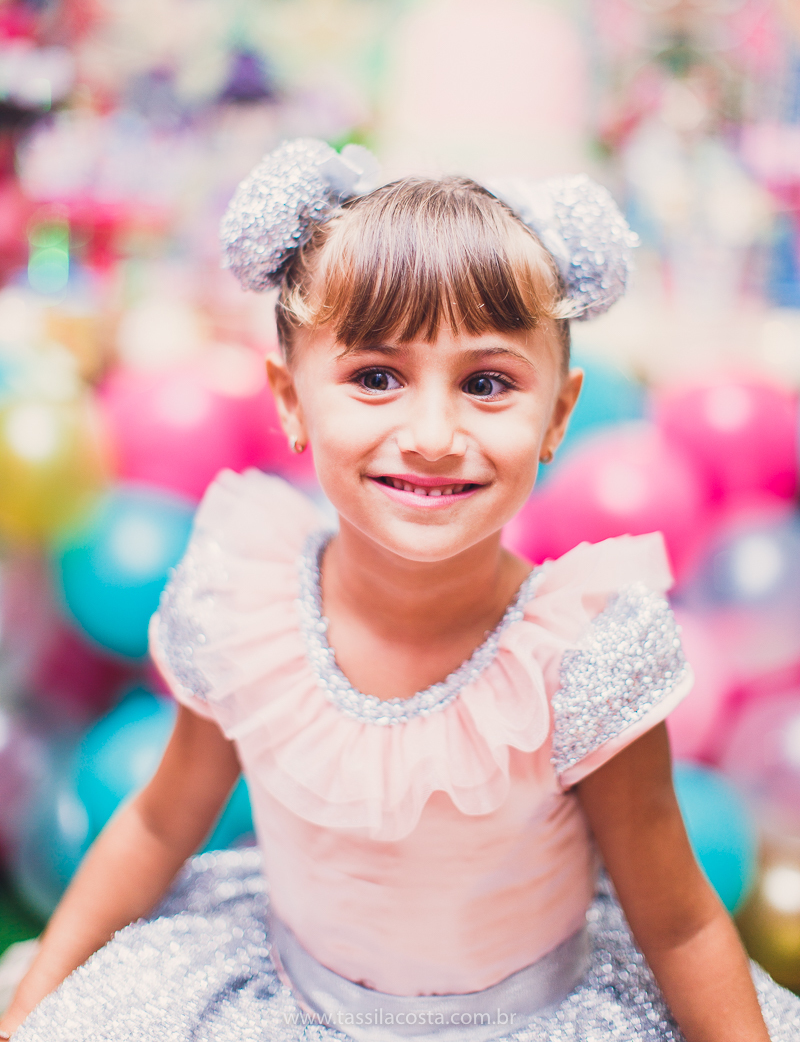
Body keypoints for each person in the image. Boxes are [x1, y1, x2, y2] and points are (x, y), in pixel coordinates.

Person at [3, 139, 799, 1041]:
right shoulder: (246, 605)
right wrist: (33, 1010)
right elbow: (157, 823)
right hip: (283, 1001)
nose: (431, 433)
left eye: (487, 383)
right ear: (292, 401)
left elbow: (679, 914)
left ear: (559, 416)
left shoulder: (584, 653)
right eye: (376, 378)